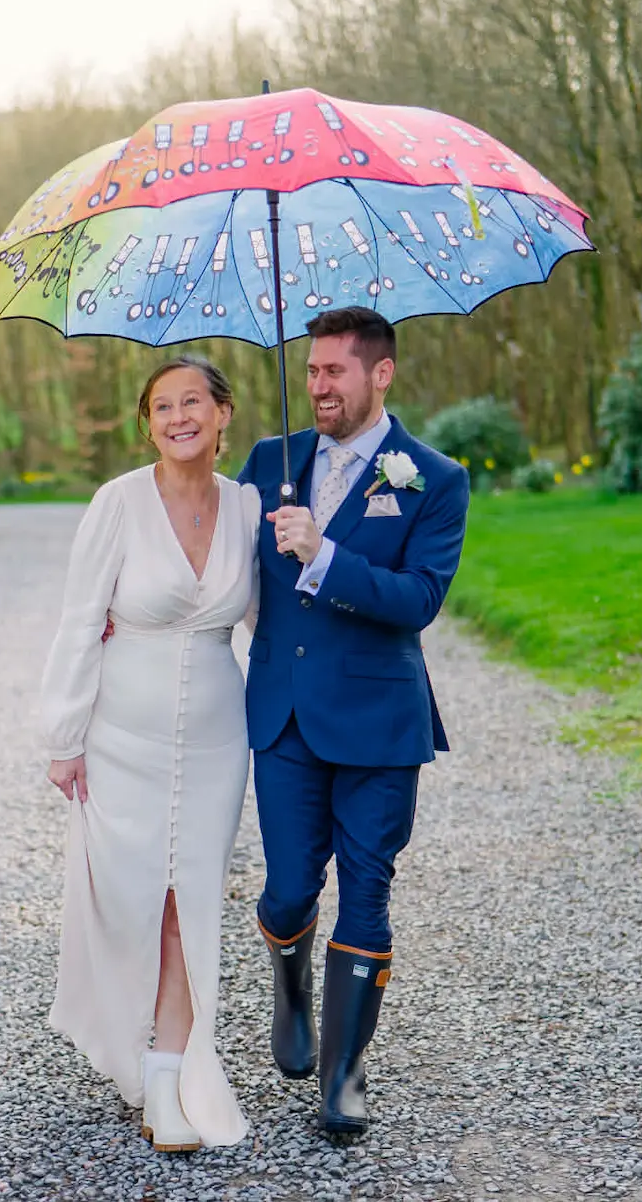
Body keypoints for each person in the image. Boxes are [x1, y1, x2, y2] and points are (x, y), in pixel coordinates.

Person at [235, 306, 469, 1137]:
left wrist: (323, 555)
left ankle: (344, 1076)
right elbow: (218, 566)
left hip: (380, 718)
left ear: (382, 374)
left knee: (367, 890)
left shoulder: (432, 478)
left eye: (335, 371)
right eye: (312, 371)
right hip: (285, 717)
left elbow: (419, 600)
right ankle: (288, 975)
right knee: (292, 885)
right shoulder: (271, 461)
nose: (319, 385)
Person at [38, 356, 260, 1152]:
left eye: (191, 402)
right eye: (161, 407)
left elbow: (267, 625)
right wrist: (63, 736)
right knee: (125, 899)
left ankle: (171, 1073)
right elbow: (78, 619)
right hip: (120, 738)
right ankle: (125, 1042)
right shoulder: (118, 503)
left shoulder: (249, 506)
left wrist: (303, 549)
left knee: (187, 902)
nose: (177, 418)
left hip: (214, 740)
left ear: (223, 412)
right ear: (148, 424)